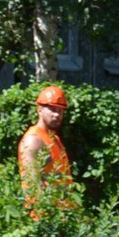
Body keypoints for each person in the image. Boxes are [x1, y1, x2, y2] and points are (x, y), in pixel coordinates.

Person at [18, 84, 74, 217]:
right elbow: (33, 183)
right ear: (39, 110)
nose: (57, 114)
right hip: (46, 218)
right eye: (52, 109)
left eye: (60, 111)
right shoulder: (33, 140)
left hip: (63, 215)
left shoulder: (54, 139)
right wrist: (51, 216)